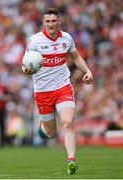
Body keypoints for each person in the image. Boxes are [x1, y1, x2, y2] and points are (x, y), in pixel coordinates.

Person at [22, 8, 93, 175]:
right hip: (43, 91)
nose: (51, 24)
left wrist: (87, 70)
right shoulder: (35, 41)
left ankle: (71, 161)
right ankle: (43, 128)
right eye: (48, 21)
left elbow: (75, 57)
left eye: (54, 21)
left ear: (59, 21)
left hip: (63, 86)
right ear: (43, 22)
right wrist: (26, 70)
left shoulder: (67, 38)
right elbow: (25, 64)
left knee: (68, 122)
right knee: (50, 132)